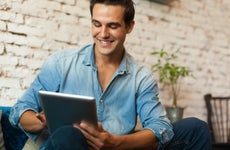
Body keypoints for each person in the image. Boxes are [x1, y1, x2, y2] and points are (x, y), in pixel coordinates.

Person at [9, 0, 211, 149]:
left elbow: (160, 126)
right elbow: (20, 110)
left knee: (197, 127)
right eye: (97, 24)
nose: (103, 34)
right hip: (66, 145)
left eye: (112, 26)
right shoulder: (61, 64)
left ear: (129, 27)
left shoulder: (141, 78)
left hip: (117, 146)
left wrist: (117, 143)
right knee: (69, 134)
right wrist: (43, 121)